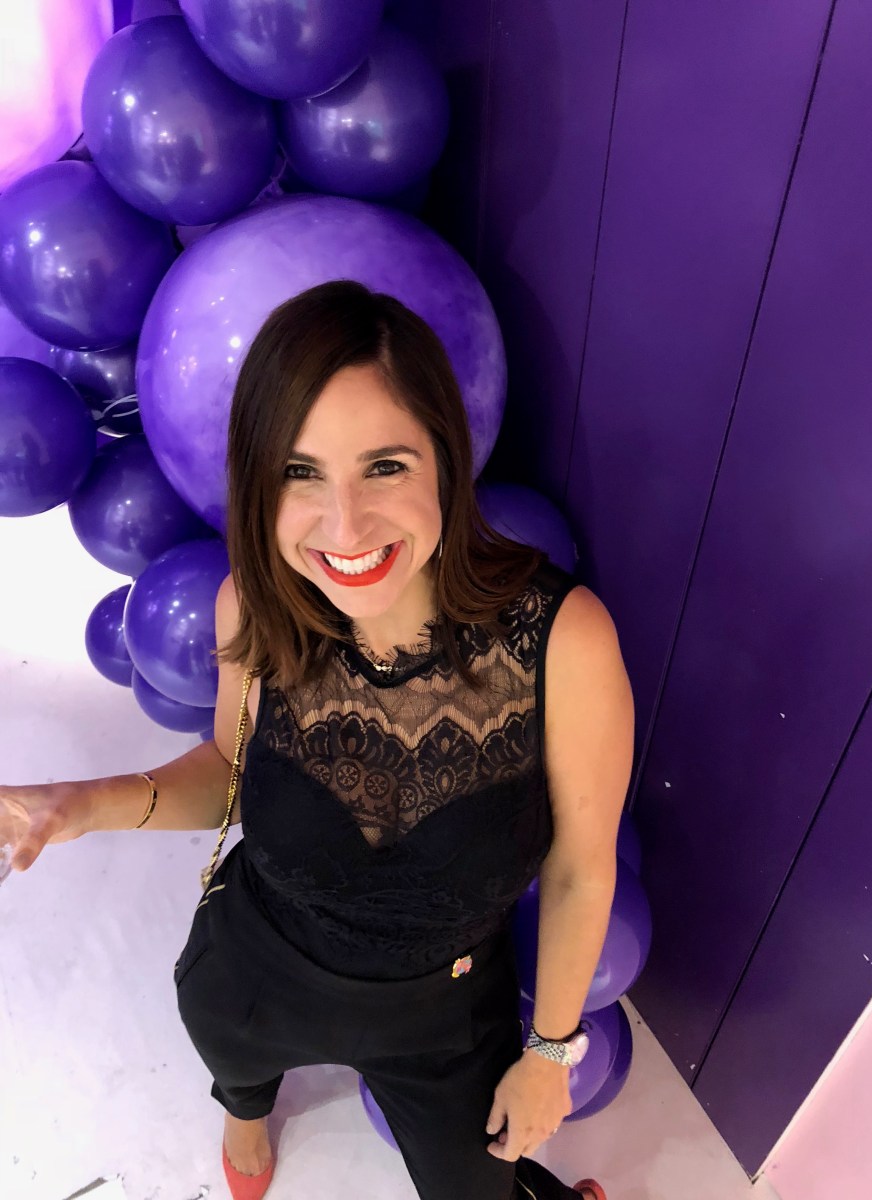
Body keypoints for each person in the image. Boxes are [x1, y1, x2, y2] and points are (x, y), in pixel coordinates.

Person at [0, 281, 634, 1200]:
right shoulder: (257, 607)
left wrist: (549, 1054)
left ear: (445, 460)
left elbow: (579, 871)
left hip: (448, 1012)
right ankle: (245, 1112)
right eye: (301, 472)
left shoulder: (562, 642)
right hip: (259, 967)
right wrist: (79, 805)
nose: (345, 527)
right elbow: (232, 771)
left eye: (385, 466)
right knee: (234, 1061)